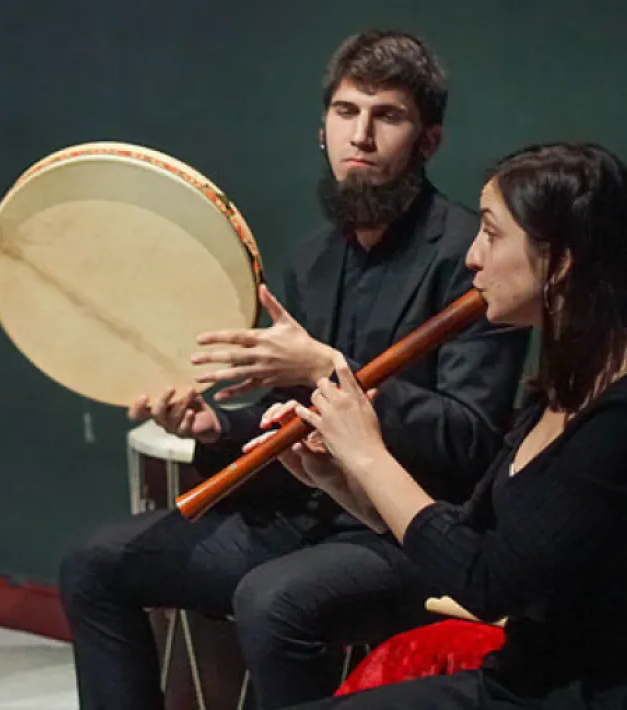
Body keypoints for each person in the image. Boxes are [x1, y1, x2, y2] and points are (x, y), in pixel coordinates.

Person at [59, 30, 533, 710]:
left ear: (428, 141)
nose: (361, 136)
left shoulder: (470, 257)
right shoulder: (311, 259)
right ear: (322, 130)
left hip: (402, 531)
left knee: (273, 600)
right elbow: (281, 414)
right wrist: (215, 422)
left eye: (387, 116)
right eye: (346, 113)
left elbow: (467, 441)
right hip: (299, 517)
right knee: (94, 563)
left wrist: (331, 370)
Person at [279, 141, 627, 709]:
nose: (472, 257)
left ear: (560, 260)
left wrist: (370, 454)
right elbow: (463, 537)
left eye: (491, 233)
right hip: (515, 683)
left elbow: (487, 584)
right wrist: (339, 479)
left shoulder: (615, 420)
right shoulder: (560, 393)